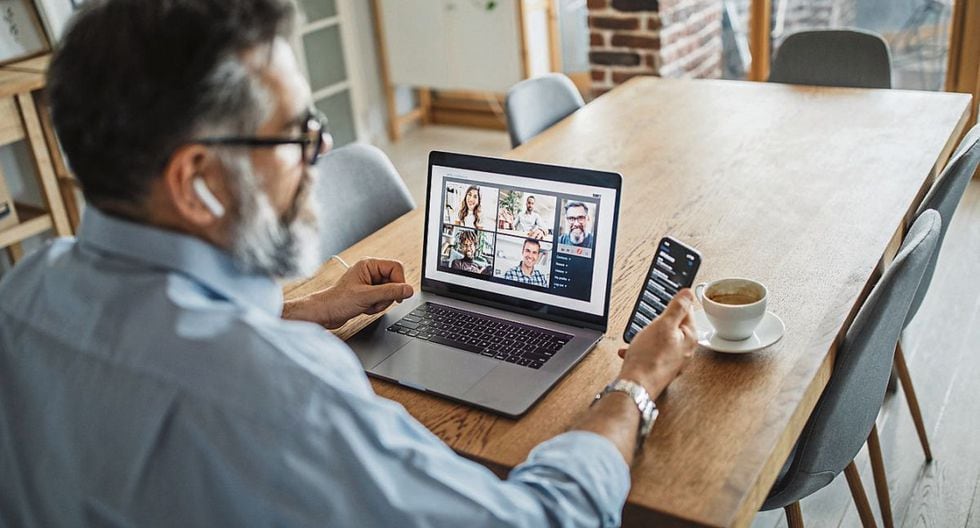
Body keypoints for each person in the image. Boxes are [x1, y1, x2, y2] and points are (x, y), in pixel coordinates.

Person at [0, 1, 699, 526]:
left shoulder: (24, 292)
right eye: (297, 133)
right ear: (198, 181)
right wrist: (634, 386)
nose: (320, 156)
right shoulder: (286, 400)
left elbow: (147, 337)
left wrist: (303, 310)